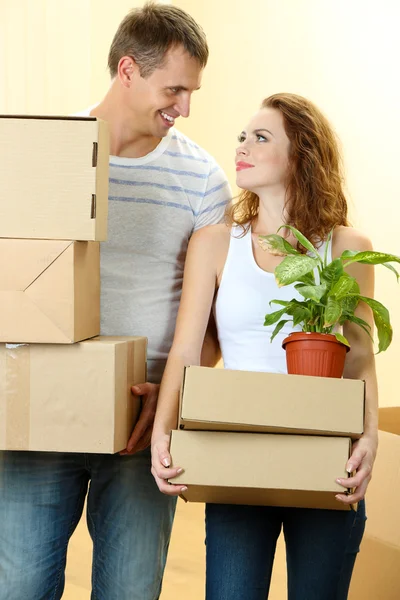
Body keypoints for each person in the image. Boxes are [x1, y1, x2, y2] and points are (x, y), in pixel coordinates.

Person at [0, 4, 231, 599]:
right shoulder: (40, 155)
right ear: (128, 70)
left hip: (142, 419)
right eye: (174, 89)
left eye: (191, 91)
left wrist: (176, 397)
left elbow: (209, 319)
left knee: (130, 590)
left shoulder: (201, 178)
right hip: (39, 410)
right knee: (20, 586)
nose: (184, 108)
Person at [151, 92, 378, 599]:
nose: (242, 147)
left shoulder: (346, 248)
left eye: (261, 137)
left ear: (300, 154)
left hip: (326, 458)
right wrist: (163, 432)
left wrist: (369, 440)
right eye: (241, 137)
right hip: (238, 458)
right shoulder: (214, 242)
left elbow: (359, 356)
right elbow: (187, 350)